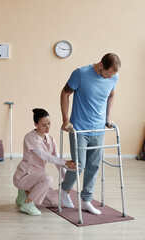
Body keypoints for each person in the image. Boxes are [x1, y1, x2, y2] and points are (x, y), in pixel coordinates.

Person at [60, 53, 121, 215]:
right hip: (79, 128)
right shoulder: (80, 74)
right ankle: (64, 191)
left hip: (99, 129)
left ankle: (86, 199)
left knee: (93, 166)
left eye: (112, 76)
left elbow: (112, 94)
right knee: (78, 165)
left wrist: (108, 118)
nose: (109, 79)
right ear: (101, 65)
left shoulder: (113, 78)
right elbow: (65, 93)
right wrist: (66, 120)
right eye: (108, 75)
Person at [13, 108, 76, 216]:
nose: (47, 127)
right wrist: (65, 162)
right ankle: (28, 203)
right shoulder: (30, 137)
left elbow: (57, 160)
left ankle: (26, 194)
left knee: (57, 201)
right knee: (48, 178)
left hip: (38, 179)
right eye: (43, 125)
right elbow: (44, 156)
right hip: (24, 176)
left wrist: (66, 181)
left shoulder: (50, 138)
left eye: (49, 124)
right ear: (35, 124)